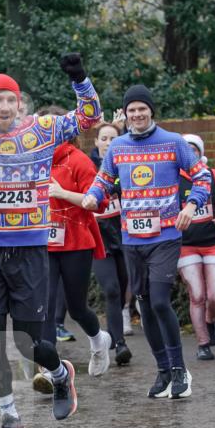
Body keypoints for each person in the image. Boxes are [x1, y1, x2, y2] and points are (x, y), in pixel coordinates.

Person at [0, 33, 102, 428]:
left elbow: (89, 118)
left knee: (31, 344)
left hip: (30, 252)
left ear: (20, 104)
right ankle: (10, 418)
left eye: (11, 99)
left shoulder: (42, 132)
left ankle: (60, 372)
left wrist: (79, 79)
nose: (5, 106)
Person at [82, 84, 212, 400]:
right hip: (132, 239)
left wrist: (191, 205)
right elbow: (103, 180)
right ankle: (163, 369)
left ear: (151, 110)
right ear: (125, 115)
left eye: (142, 108)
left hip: (166, 236)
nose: (137, 114)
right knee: (143, 304)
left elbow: (202, 176)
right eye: (131, 110)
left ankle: (180, 369)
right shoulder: (118, 147)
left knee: (158, 301)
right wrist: (92, 197)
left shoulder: (173, 142)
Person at [30, 106, 112, 394]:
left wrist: (63, 194)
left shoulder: (78, 161)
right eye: (38, 127)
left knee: (77, 308)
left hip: (76, 242)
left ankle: (99, 340)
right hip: (43, 244)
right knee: (46, 307)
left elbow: (99, 202)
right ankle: (50, 371)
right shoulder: (29, 160)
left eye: (49, 127)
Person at [177, 133, 215, 361]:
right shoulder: (172, 178)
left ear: (201, 153)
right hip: (185, 245)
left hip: (213, 243)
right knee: (197, 294)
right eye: (186, 150)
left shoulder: (213, 176)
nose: (191, 154)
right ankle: (203, 343)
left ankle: (210, 321)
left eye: (195, 150)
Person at [89, 121, 133, 364]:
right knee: (112, 290)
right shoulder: (88, 166)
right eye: (103, 139)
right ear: (96, 142)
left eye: (112, 139)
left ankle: (116, 338)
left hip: (124, 237)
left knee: (126, 289)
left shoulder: (124, 164)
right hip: (99, 240)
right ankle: (119, 343)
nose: (107, 143)